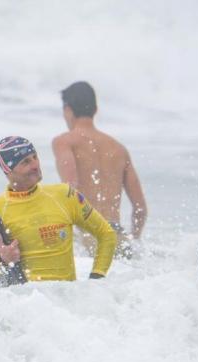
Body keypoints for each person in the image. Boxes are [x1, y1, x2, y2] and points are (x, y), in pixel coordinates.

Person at [0, 136, 117, 285]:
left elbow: (106, 233)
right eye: (25, 162)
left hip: (70, 303)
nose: (35, 165)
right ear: (8, 171)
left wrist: (96, 278)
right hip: (27, 303)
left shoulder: (65, 195)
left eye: (35, 157)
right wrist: (1, 259)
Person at [52, 81, 148, 256]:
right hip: (117, 236)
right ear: (95, 110)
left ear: (67, 109)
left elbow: (69, 189)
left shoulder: (64, 142)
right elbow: (140, 207)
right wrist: (135, 239)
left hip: (88, 237)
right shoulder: (118, 149)